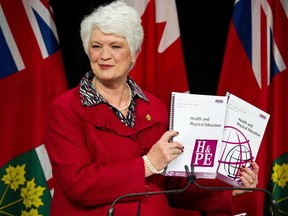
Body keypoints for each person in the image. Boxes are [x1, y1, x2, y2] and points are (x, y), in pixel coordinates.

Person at [45, 1, 259, 216]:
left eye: (116, 46)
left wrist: (229, 189)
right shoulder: (65, 109)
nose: (104, 56)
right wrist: (148, 163)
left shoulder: (154, 107)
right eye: (96, 46)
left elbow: (171, 184)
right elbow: (79, 183)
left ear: (134, 53)